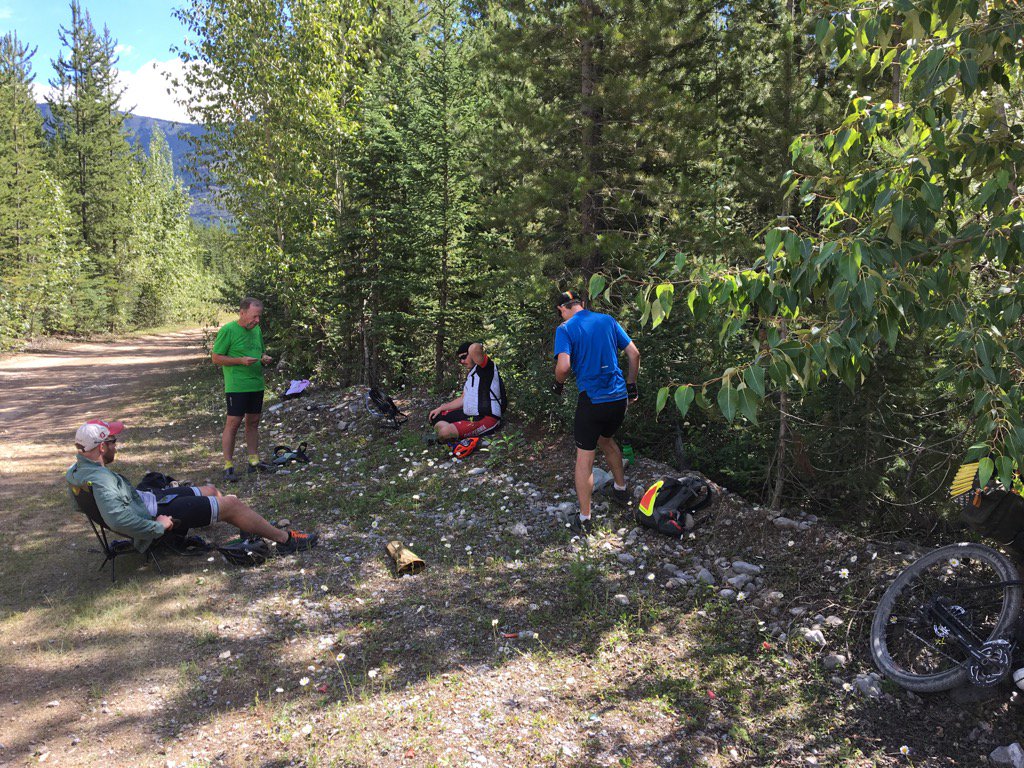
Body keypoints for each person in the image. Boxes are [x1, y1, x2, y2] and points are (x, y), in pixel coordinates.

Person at [66, 419, 317, 555]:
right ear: (101, 447)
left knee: (211, 491)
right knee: (231, 503)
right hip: (154, 512)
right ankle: (286, 540)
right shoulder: (101, 481)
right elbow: (119, 520)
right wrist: (158, 526)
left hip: (149, 500)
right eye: (113, 441)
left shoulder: (76, 471)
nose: (116, 445)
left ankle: (249, 528)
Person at [552, 290, 640, 536]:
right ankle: (621, 490)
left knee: (585, 458)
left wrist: (558, 384)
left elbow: (564, 367)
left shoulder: (566, 329)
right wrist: (631, 386)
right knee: (606, 440)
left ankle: (585, 518)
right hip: (618, 399)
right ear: (581, 303)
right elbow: (634, 354)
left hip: (592, 400)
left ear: (562, 308)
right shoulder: (607, 320)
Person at [212, 297, 273, 481]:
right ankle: (228, 466)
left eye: (259, 317)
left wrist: (264, 357)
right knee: (233, 424)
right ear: (242, 313)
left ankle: (254, 462)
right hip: (237, 386)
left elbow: (259, 351)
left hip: (256, 384)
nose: (257, 321)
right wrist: (240, 360)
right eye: (254, 317)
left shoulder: (257, 330)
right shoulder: (229, 330)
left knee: (253, 422)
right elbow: (216, 357)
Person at [428, 341, 506, 441]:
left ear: (472, 355)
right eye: (460, 359)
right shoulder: (471, 375)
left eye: (464, 357)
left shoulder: (487, 368)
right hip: (471, 415)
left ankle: (450, 432)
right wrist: (441, 408)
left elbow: (475, 347)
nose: (461, 361)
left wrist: (472, 350)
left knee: (444, 432)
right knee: (435, 416)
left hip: (487, 418)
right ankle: (454, 431)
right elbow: (462, 399)